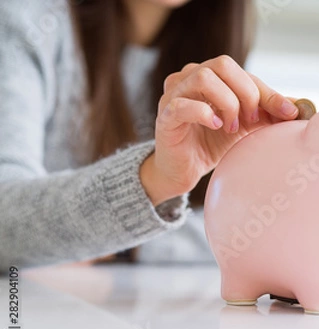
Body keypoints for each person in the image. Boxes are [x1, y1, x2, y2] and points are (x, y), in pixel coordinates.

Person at [0, 0, 300, 268]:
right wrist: (155, 179)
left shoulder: (218, 54)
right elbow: (5, 221)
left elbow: (249, 231)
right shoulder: (29, 22)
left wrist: (127, 248)